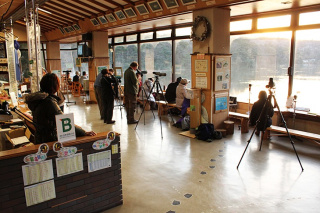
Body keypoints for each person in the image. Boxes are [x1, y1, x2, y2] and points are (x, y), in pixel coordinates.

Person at [25, 73, 96, 144]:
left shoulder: (40, 99)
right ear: (54, 86)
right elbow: (64, 122)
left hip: (40, 138)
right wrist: (83, 132)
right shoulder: (49, 102)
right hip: (49, 140)